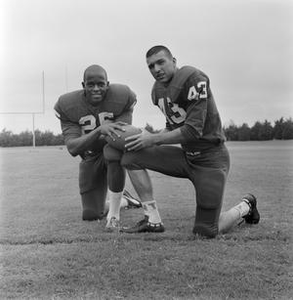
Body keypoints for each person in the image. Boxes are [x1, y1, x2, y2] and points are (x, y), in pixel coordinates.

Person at [119, 45, 260, 238]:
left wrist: (152, 139)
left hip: (211, 161)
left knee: (206, 231)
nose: (156, 69)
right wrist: (147, 135)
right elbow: (173, 126)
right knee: (131, 157)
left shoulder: (192, 78)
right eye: (151, 66)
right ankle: (152, 219)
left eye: (161, 62)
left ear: (174, 61)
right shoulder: (158, 91)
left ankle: (245, 206)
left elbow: (193, 131)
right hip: (186, 158)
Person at [54, 64, 145, 229]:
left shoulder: (122, 96)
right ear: (83, 86)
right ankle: (126, 201)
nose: (96, 88)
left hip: (111, 149)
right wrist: (98, 131)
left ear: (107, 84)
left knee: (114, 153)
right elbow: (73, 148)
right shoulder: (67, 104)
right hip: (90, 156)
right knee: (91, 214)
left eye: (100, 84)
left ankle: (115, 209)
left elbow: (121, 137)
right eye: (91, 84)